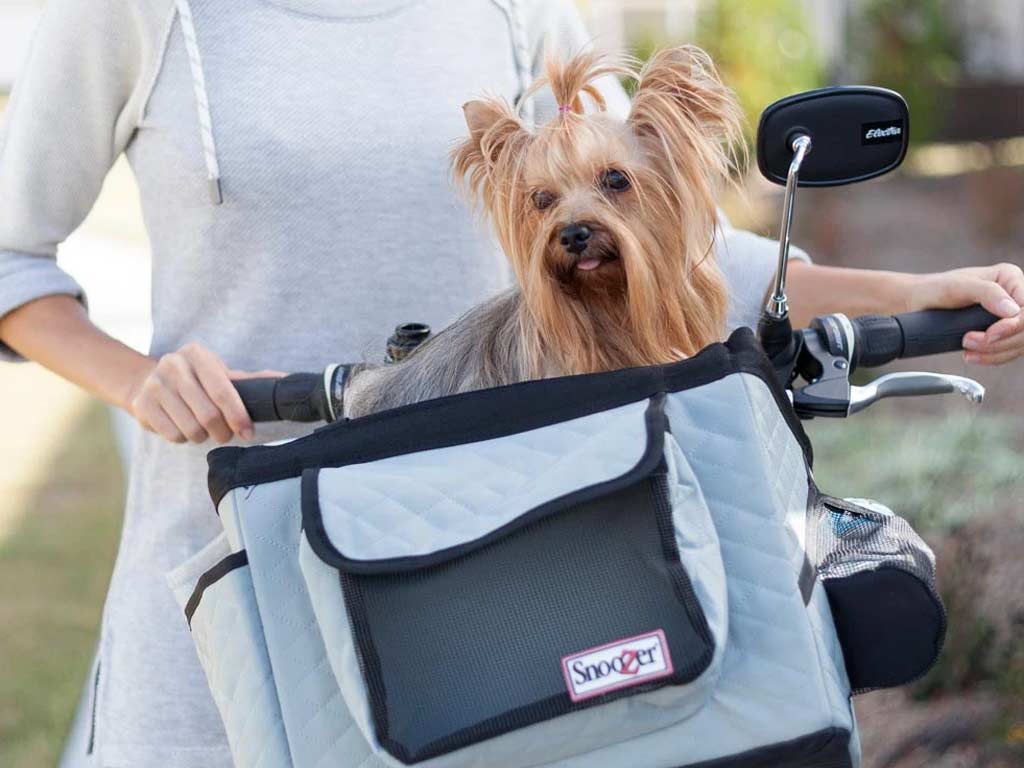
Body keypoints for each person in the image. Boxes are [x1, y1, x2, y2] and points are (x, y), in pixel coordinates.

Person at [0, 1, 1020, 765]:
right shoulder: (130, 12)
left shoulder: (510, 3)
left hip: (507, 579)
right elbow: (13, 259)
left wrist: (911, 287)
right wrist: (139, 383)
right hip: (242, 573)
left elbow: (672, 239)